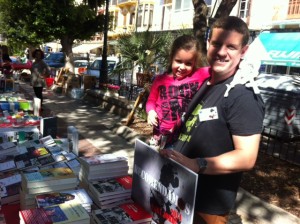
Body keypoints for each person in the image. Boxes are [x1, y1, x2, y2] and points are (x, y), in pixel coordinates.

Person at [160, 16, 265, 224]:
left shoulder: (243, 95)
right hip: (181, 195)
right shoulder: (208, 83)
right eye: (216, 43)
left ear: (243, 51)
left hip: (207, 209)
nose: (221, 52)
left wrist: (197, 164)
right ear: (208, 43)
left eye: (231, 47)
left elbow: (247, 157)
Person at [146, 34, 210, 150]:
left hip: (184, 136)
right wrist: (150, 112)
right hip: (160, 135)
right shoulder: (160, 80)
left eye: (188, 63)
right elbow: (151, 101)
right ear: (171, 59)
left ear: (195, 63)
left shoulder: (199, 75)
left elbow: (219, 68)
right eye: (178, 61)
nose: (182, 67)